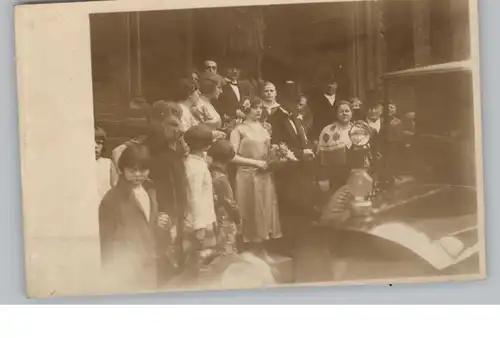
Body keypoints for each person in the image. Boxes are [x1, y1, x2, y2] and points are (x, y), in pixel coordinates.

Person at [98, 143, 167, 292]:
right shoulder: (112, 199)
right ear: (122, 169)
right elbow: (106, 237)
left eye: (143, 170)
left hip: (148, 259)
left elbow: (147, 223)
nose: (137, 174)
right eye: (132, 170)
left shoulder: (150, 191)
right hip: (125, 264)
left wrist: (158, 222)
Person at [230, 97, 282, 262]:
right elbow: (231, 156)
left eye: (260, 108)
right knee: (250, 209)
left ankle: (262, 249)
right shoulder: (238, 130)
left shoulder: (265, 128)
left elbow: (266, 152)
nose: (258, 111)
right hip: (246, 175)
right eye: (254, 108)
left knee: (265, 209)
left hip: (264, 175)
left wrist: (275, 155)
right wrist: (255, 162)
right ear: (246, 109)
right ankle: (251, 251)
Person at [183, 124, 219, 275]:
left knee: (206, 259)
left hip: (206, 218)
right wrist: (199, 226)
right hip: (198, 222)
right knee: (199, 260)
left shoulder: (195, 161)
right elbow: (194, 197)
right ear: (207, 145)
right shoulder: (195, 167)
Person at [208, 140, 241, 255]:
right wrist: (238, 219)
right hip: (224, 222)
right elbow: (230, 204)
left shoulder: (209, 172)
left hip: (212, 220)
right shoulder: (222, 179)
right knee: (227, 253)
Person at [317, 100, 354, 193]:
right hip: (335, 175)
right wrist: (323, 178)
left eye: (347, 111)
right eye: (341, 111)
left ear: (352, 113)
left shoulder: (359, 129)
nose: (344, 114)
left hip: (355, 174)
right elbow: (322, 158)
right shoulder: (328, 131)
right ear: (336, 114)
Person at [309, 73, 340, 140]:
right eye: (327, 83)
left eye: (332, 83)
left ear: (336, 84)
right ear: (322, 85)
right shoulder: (315, 101)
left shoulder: (342, 99)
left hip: (341, 136)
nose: (329, 86)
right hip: (322, 137)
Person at [95, 126, 118, 203]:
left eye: (99, 143)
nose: (95, 146)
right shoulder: (79, 165)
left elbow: (115, 186)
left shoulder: (107, 163)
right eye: (91, 142)